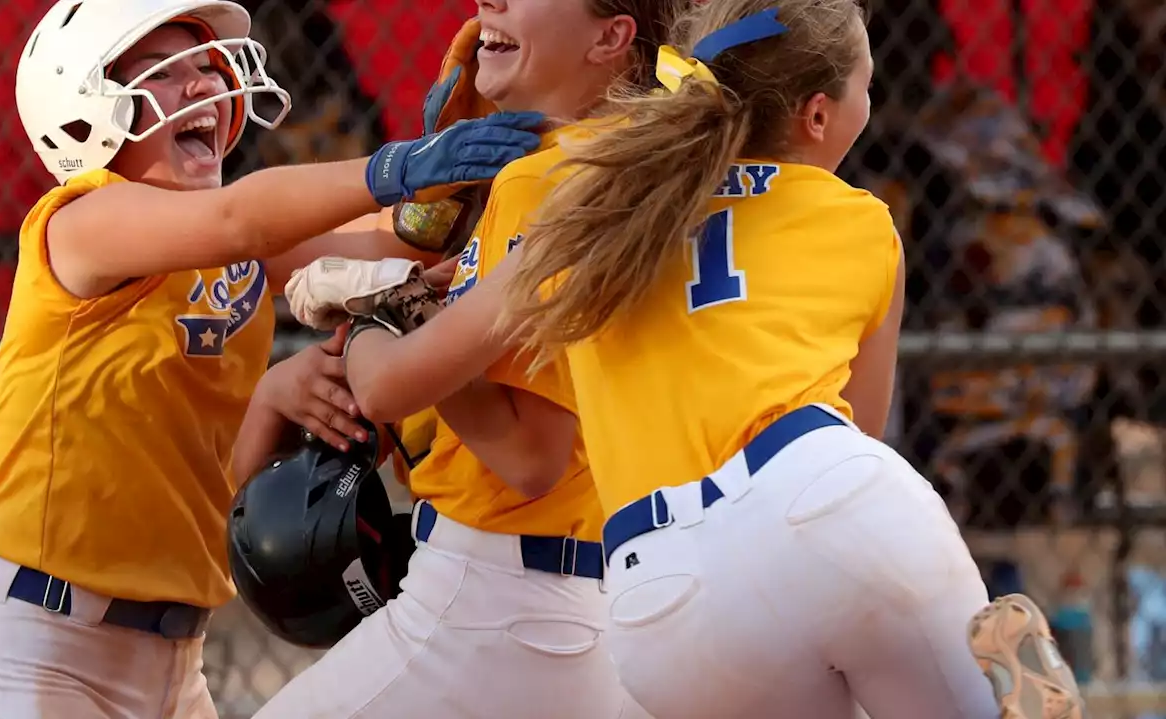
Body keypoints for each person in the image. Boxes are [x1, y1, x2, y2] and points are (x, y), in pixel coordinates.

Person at [289, 1, 1088, 718]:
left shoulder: (590, 197)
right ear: (817, 115)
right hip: (821, 486)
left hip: (659, 580)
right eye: (864, 90)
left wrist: (375, 305)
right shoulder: (857, 218)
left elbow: (403, 380)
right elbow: (862, 431)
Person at [0, 0, 545, 716]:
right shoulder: (80, 223)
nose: (203, 87)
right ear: (82, 107)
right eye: (166, 71)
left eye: (206, 69)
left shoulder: (242, 251)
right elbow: (238, 217)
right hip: (38, 648)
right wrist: (399, 166)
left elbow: (395, 245)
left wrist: (447, 197)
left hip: (175, 661)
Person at [236, 2, 678, 718]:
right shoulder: (613, 168)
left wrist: (391, 310)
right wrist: (430, 215)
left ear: (612, 36)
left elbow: (530, 453)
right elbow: (272, 246)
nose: (488, 4)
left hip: (493, 594)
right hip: (577, 598)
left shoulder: (552, 183)